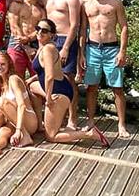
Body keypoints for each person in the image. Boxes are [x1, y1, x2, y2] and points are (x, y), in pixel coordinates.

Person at [28, 19, 109, 147]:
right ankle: (40, 124)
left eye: (44, 31)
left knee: (52, 137)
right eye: (38, 29)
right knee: (31, 87)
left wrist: (48, 99)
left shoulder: (48, 49)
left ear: (52, 35)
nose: (39, 32)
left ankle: (89, 134)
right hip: (56, 86)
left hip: (59, 92)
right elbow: (44, 73)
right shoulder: (42, 48)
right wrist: (31, 79)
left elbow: (49, 76)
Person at [79, 0, 130, 138]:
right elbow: (82, 31)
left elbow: (123, 27)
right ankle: (90, 121)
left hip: (111, 49)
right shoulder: (85, 5)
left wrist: (122, 51)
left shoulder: (115, 3)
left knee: (117, 88)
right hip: (92, 48)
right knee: (91, 87)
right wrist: (82, 54)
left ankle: (121, 124)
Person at [39, 0, 81, 128]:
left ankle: (73, 118)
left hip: (65, 39)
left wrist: (66, 47)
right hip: (49, 40)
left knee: (68, 79)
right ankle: (57, 116)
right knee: (51, 77)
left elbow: (74, 24)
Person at [0, 50, 38, 155]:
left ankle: (25, 136)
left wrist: (19, 130)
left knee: (0, 101)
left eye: (3, 64)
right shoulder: (3, 84)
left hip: (28, 121)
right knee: (3, 131)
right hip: (16, 122)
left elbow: (21, 105)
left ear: (9, 64)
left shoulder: (13, 79)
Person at [7, 0, 46, 79]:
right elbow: (13, 26)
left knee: (38, 77)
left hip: (34, 44)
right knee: (15, 77)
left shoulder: (41, 10)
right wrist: (24, 45)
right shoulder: (16, 4)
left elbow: (41, 28)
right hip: (16, 42)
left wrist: (28, 39)